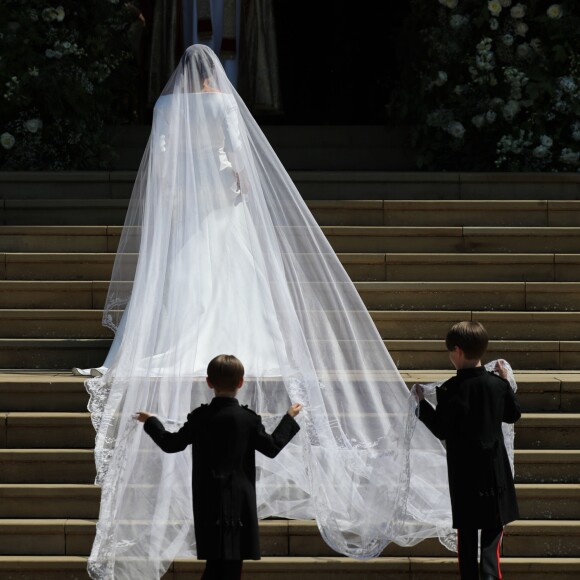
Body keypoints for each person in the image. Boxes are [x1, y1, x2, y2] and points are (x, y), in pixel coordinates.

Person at [85, 44, 456, 580]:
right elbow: (238, 155)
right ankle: (234, 329)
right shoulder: (220, 106)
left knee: (186, 266)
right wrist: (239, 184)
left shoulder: (169, 108)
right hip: (215, 185)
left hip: (186, 192)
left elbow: (161, 161)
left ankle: (182, 328)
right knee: (229, 265)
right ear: (216, 72)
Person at [136, 354, 302, 580]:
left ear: (209, 382)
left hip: (209, 498)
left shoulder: (199, 417)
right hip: (239, 502)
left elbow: (171, 444)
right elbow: (272, 448)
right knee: (230, 566)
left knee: (217, 564)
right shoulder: (248, 419)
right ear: (241, 383)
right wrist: (289, 417)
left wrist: (151, 421)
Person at [414, 321, 521, 580]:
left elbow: (441, 429)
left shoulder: (450, 390)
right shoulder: (497, 385)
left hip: (465, 477)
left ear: (458, 351)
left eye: (450, 351)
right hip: (495, 475)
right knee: (491, 538)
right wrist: (506, 383)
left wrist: (421, 404)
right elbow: (513, 415)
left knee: (467, 537)